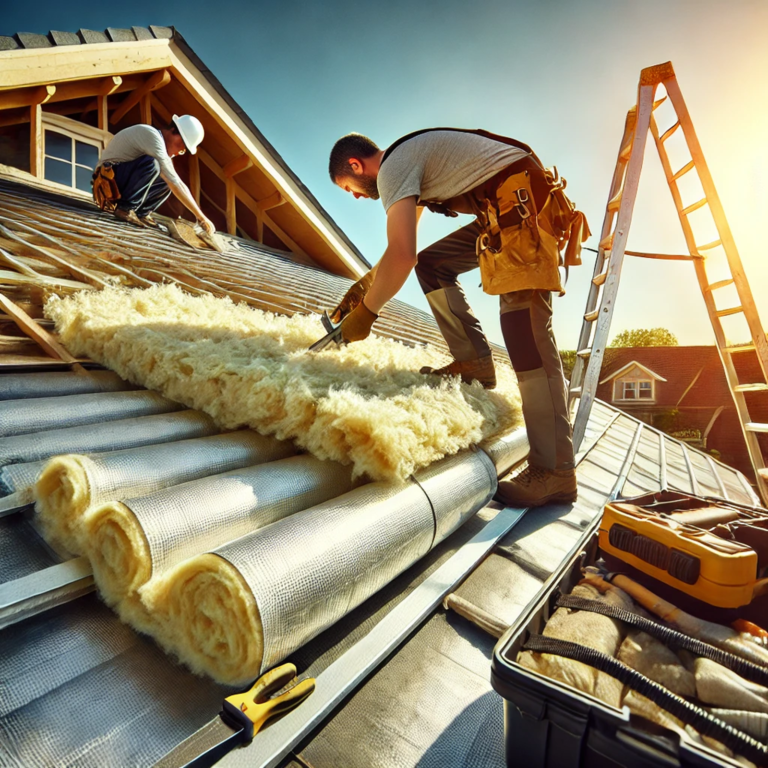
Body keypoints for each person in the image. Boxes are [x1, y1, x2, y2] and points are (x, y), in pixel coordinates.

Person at [328, 129, 588, 507]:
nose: (354, 195)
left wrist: (367, 314)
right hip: (501, 209)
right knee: (435, 265)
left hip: (521, 204)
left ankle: (555, 471)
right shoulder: (407, 161)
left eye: (348, 186)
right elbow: (405, 247)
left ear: (356, 165)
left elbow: (402, 256)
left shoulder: (392, 168)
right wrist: (362, 289)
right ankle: (474, 362)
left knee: (524, 334)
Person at [93, 114, 215, 234]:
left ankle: (142, 214)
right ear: (173, 130)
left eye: (184, 150)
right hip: (108, 183)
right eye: (180, 145)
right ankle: (125, 209)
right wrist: (201, 217)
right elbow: (175, 183)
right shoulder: (151, 135)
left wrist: (201, 216)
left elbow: (176, 181)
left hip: (120, 182)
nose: (180, 151)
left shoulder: (159, 148)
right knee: (154, 165)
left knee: (167, 178)